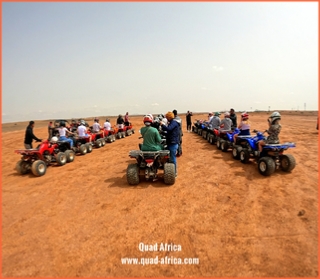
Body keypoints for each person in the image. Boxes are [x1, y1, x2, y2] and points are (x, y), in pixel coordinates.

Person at [160, 111, 180, 177]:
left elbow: (169, 129)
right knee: (169, 158)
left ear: (169, 117)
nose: (166, 118)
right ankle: (170, 171)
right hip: (170, 142)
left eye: (167, 117)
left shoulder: (174, 123)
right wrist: (162, 132)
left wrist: (162, 124)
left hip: (173, 143)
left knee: (173, 158)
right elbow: (169, 132)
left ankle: (174, 173)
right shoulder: (171, 123)